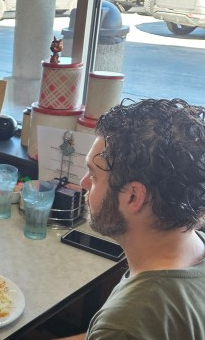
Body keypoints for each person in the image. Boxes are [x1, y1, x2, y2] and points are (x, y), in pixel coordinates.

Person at [60, 98, 205, 340]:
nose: (84, 184)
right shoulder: (195, 249)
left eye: (94, 176)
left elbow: (123, 328)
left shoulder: (127, 322)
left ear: (134, 196)